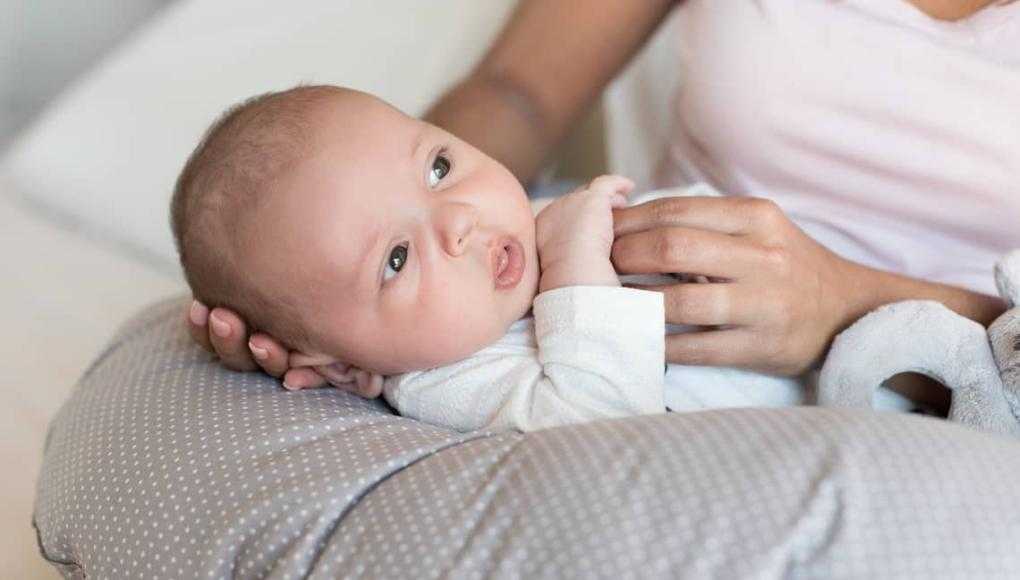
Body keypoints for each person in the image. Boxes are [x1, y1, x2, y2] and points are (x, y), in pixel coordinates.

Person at [186, 1, 1017, 409]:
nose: (458, 218)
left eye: (442, 172)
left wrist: (848, 306)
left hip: (955, 390)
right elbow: (519, 93)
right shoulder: (451, 323)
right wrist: (331, 272)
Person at [177, 85, 917, 432]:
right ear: (344, 367)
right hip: (870, 422)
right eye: (396, 260)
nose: (459, 222)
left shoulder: (520, 230)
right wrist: (574, 266)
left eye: (437, 168)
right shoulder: (453, 375)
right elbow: (600, 425)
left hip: (899, 335)